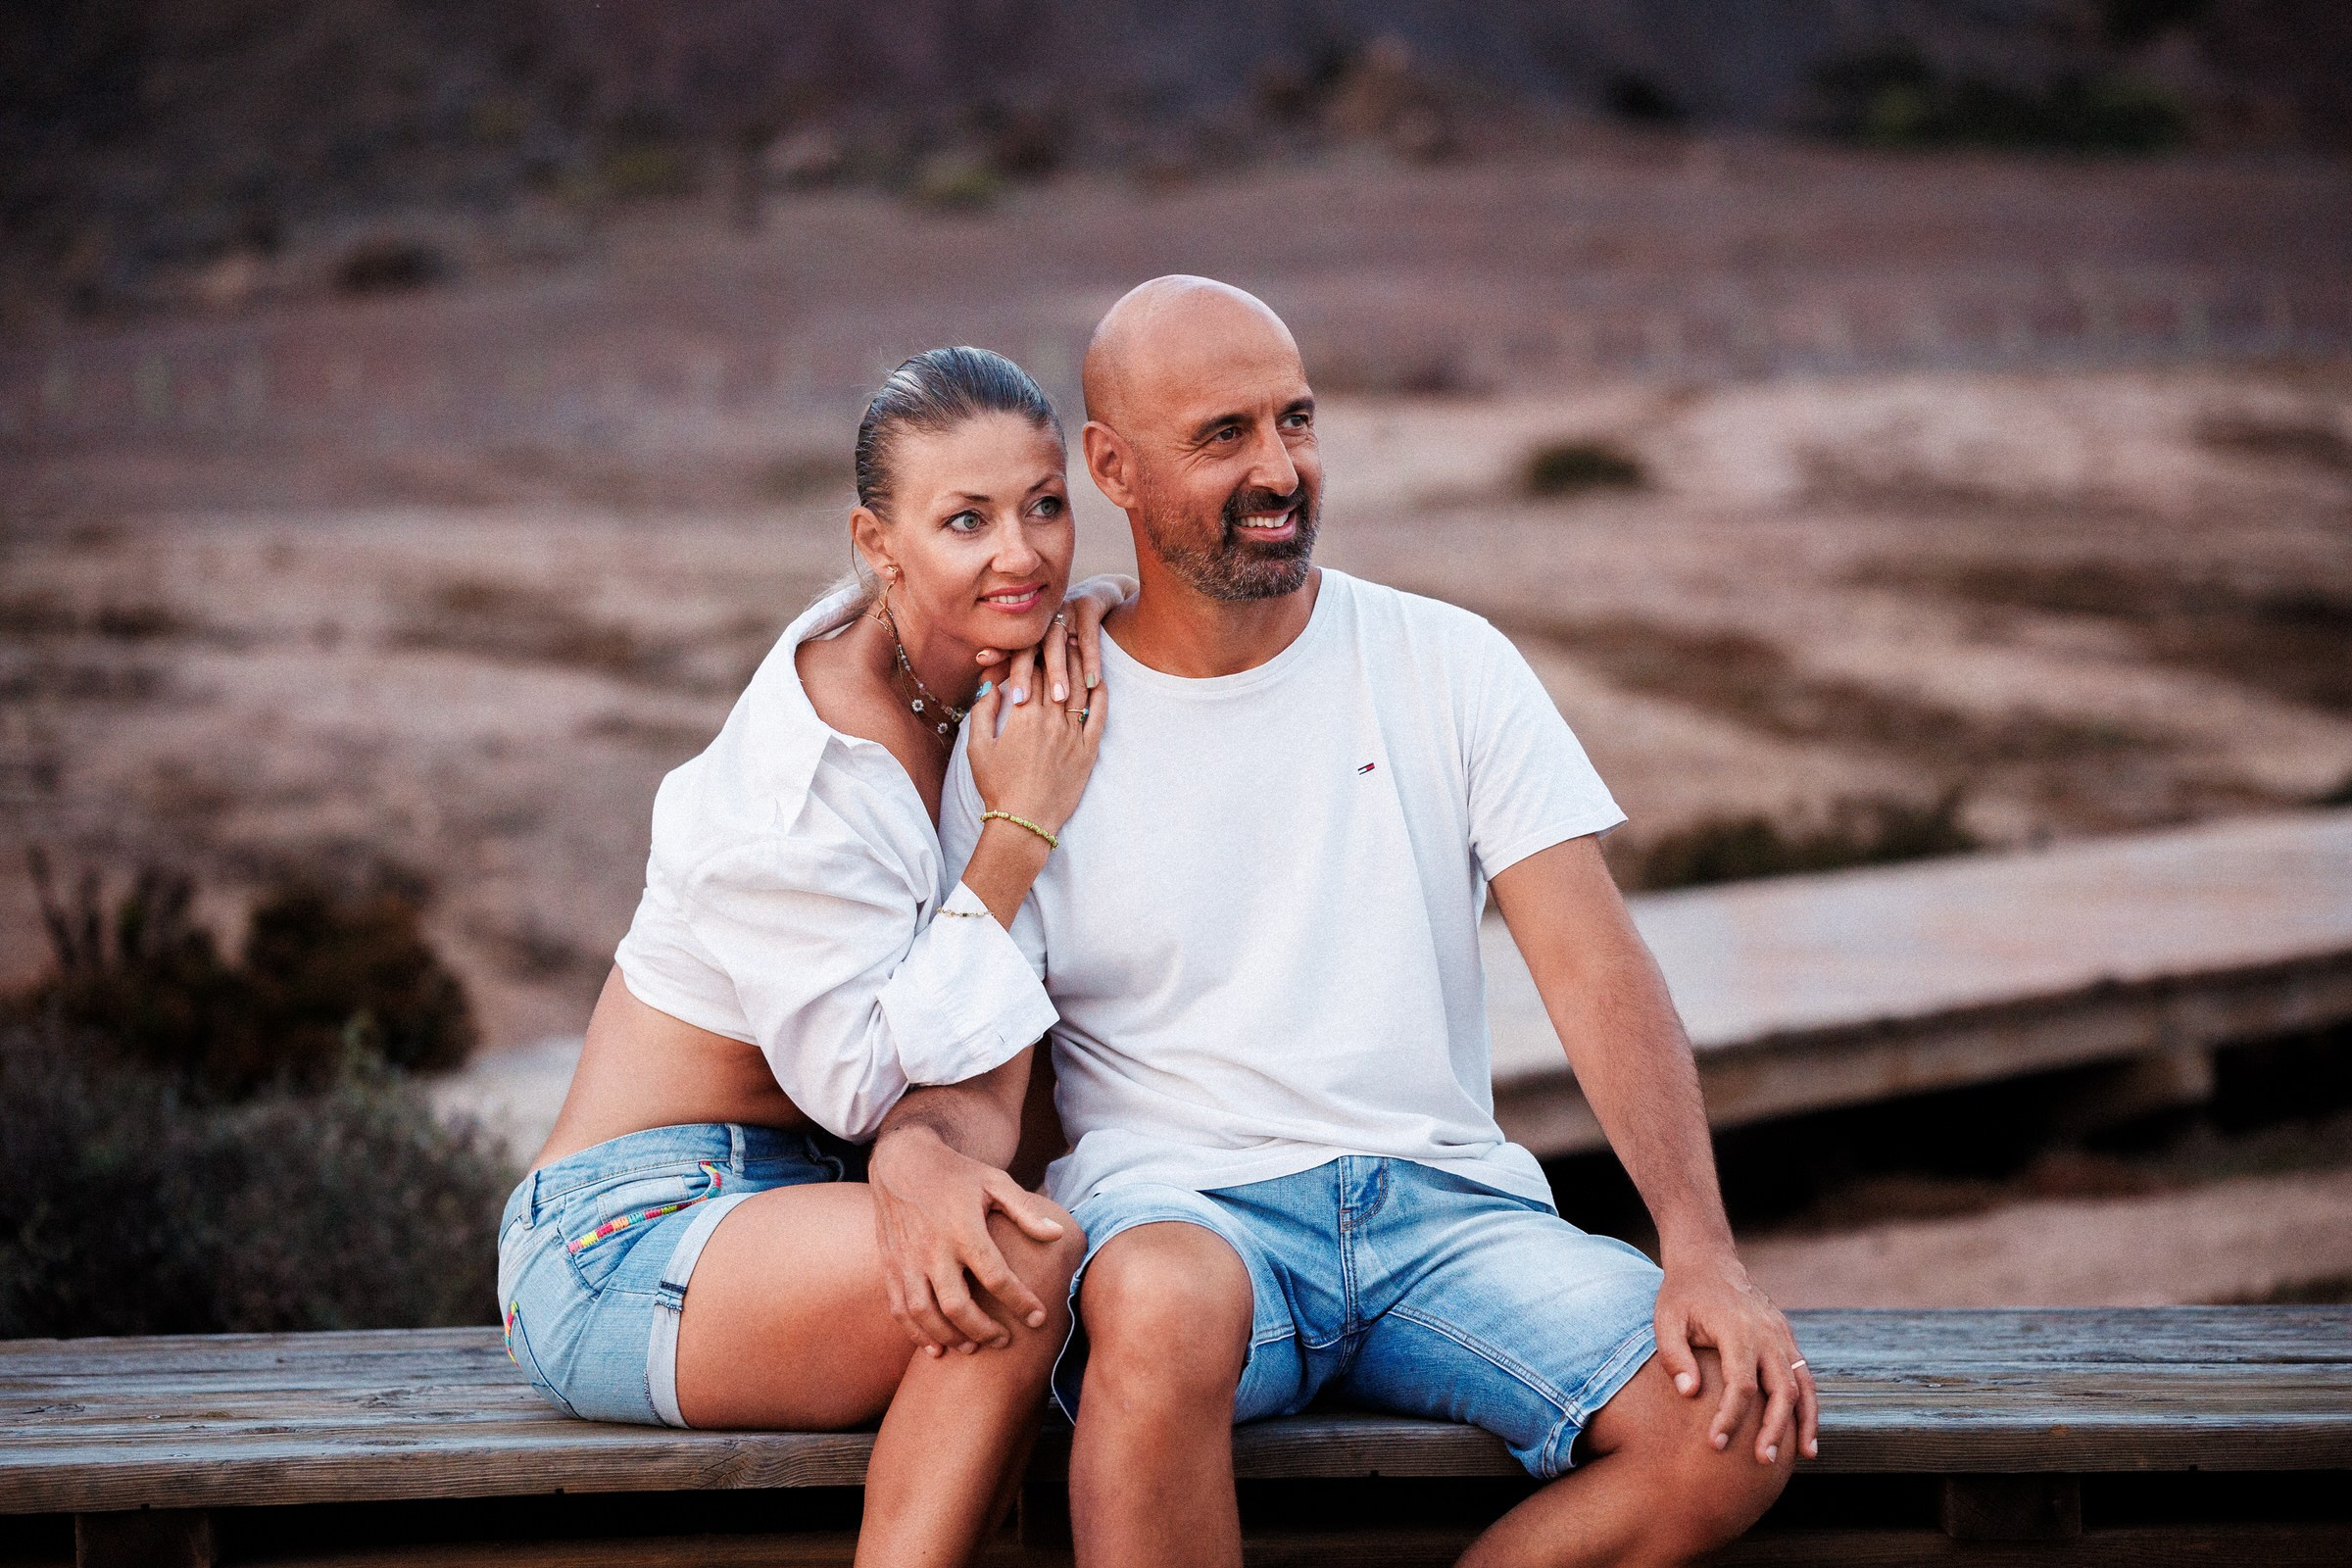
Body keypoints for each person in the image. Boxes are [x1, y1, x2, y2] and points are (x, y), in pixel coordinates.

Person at [921, 279, 1816, 1567]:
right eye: (1224, 434)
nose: (1281, 468)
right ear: (1111, 467)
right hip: (1187, 1215)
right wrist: (922, 1158)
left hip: (1450, 1215)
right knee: (1164, 1304)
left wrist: (1702, 1250)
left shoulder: (1444, 661)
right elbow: (986, 1053)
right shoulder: (1032, 722)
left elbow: (1594, 968)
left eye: (1297, 421)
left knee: (1732, 1424)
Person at [496, 346, 1122, 1567]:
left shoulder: (989, 674)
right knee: (1011, 1265)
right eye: (966, 520)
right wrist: (1018, 830)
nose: (1024, 553)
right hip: (634, 1235)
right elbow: (862, 1084)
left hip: (823, 1197)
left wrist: (1107, 610)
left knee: (1137, 1266)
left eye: (1044, 505)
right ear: (878, 544)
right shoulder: (800, 784)